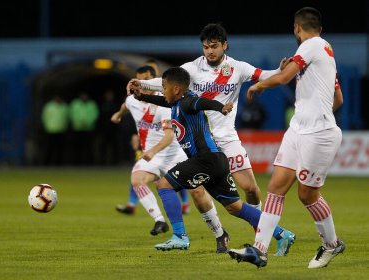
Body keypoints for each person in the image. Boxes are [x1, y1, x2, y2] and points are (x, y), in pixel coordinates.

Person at [127, 23, 295, 255]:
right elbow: (167, 85)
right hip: (203, 145)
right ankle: (232, 235)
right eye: (205, 47)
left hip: (223, 141)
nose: (209, 51)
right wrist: (143, 86)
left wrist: (278, 70)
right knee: (226, 203)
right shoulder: (191, 70)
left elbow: (261, 75)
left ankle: (184, 236)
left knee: (250, 189)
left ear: (225, 45)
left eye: (214, 46)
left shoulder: (237, 68)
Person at [228, 7, 345, 269]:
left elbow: (283, 77)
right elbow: (338, 99)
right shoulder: (324, 53)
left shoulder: (311, 45)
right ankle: (259, 250)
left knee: (307, 195)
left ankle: (331, 244)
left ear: (296, 28)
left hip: (319, 133)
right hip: (298, 129)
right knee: (276, 187)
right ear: (320, 28)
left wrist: (258, 85)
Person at [115, 66, 191, 216]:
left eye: (146, 80)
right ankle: (141, 209)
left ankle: (186, 205)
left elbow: (169, 133)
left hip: (171, 150)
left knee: (188, 187)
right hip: (149, 151)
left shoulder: (164, 101)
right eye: (139, 80)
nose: (142, 84)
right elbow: (126, 106)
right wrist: (118, 115)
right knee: (139, 176)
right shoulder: (133, 100)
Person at [69, 91, 99, 165]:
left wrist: (88, 122)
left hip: (88, 129)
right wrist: (77, 122)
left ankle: (88, 163)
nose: (84, 97)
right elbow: (71, 114)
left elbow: (95, 115)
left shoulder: (92, 104)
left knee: (88, 147)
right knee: (77, 147)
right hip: (77, 128)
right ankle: (76, 162)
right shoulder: (75, 104)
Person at [41, 94, 69, 165]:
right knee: (49, 149)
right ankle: (46, 164)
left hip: (61, 130)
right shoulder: (49, 106)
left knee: (60, 149)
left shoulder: (64, 107)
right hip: (51, 130)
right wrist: (47, 127)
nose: (58, 99)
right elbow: (44, 117)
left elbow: (66, 118)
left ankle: (59, 164)